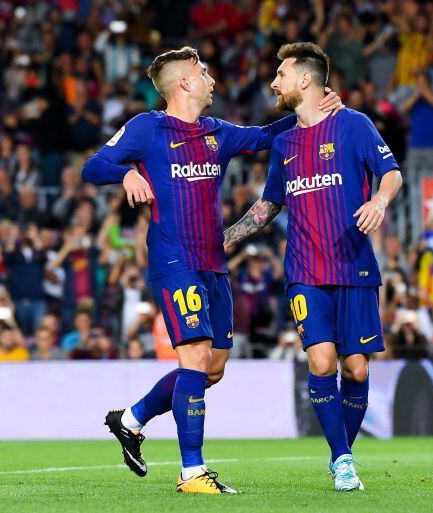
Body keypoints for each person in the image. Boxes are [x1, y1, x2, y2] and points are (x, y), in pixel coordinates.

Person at [81, 46, 342, 494]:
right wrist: (125, 175)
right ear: (185, 82)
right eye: (203, 71)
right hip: (174, 260)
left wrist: (311, 109)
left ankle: (130, 419)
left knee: (212, 368)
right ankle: (192, 473)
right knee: (196, 357)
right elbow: (93, 165)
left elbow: (264, 135)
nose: (211, 79)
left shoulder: (216, 132)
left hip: (214, 264)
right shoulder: (148, 127)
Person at [223, 42, 402, 492]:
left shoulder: (355, 125)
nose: (273, 82)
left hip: (355, 266)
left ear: (305, 79)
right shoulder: (283, 141)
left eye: (280, 74)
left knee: (357, 369)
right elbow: (269, 203)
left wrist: (380, 199)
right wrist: (225, 238)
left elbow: (392, 172)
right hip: (305, 271)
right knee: (322, 363)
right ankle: (342, 459)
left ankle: (342, 450)